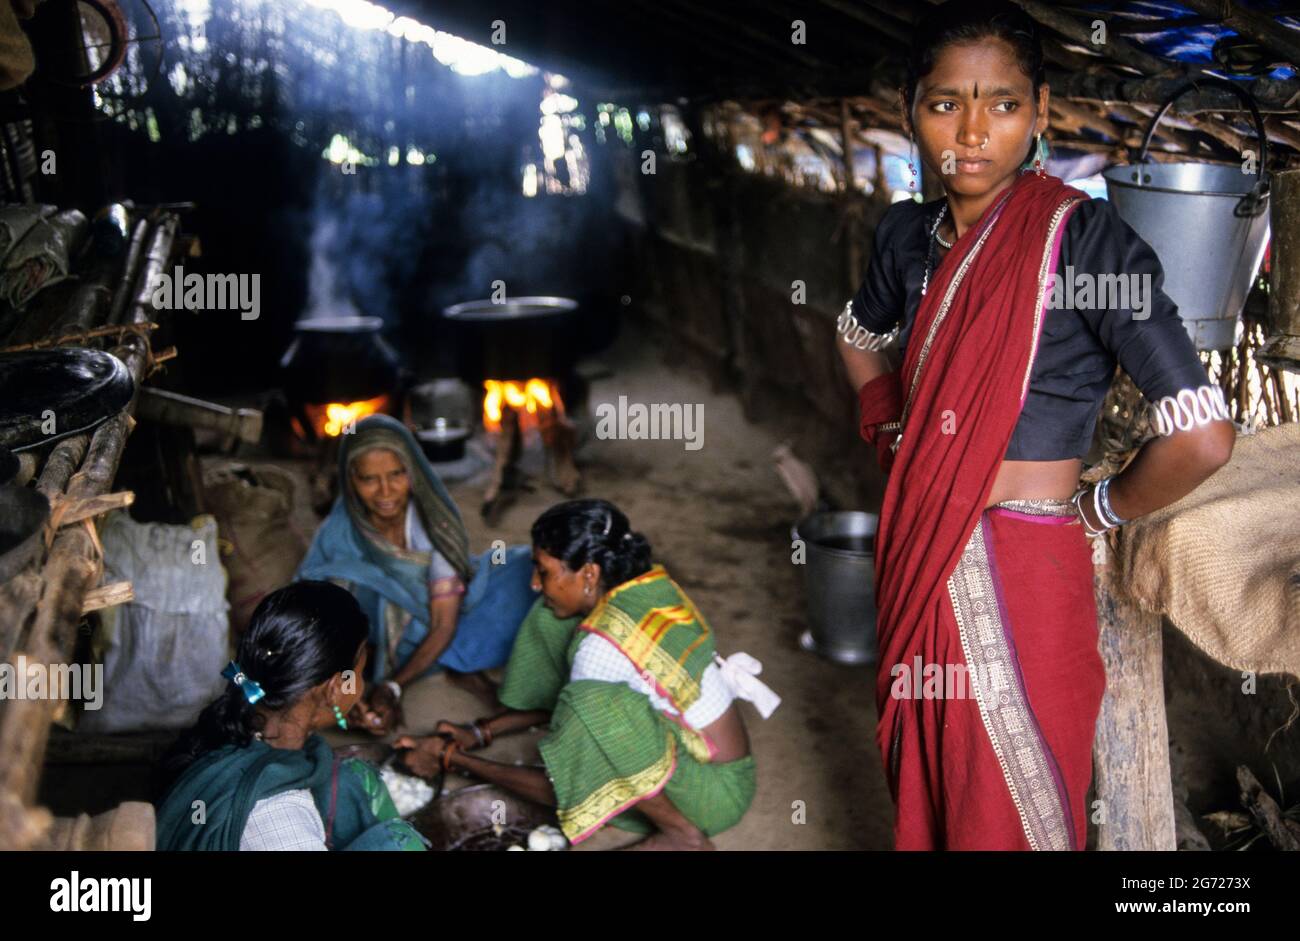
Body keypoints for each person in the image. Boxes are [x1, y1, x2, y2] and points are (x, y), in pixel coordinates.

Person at [839, 1, 1235, 850]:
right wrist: (887, 431)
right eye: (947, 103)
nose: (973, 131)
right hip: (923, 552)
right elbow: (855, 332)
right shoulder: (906, 237)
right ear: (911, 108)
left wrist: (1100, 511)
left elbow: (1202, 433)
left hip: (1024, 580)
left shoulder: (1085, 244)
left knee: (1010, 818)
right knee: (941, 796)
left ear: (1042, 113)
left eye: (1003, 104)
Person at [396, 499, 772, 850]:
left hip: (710, 797)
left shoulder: (598, 649)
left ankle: (681, 835)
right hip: (726, 770)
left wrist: (452, 758)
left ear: (589, 573)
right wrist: (480, 732)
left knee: (588, 713)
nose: (533, 583)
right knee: (551, 618)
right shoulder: (647, 586)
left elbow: (565, 786)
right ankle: (656, 807)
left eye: (544, 571)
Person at [297, 414, 537, 734]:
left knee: (527, 573)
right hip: (388, 631)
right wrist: (350, 690)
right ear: (350, 479)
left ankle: (447, 660)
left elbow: (443, 623)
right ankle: (449, 664)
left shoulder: (433, 526)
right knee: (363, 606)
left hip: (451, 608)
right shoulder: (338, 532)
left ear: (413, 472)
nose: (386, 491)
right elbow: (315, 612)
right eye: (369, 479)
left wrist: (392, 687)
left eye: (397, 474)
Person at [154, 581, 427, 851]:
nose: (361, 687)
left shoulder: (234, 726)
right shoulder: (277, 818)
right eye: (360, 674)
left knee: (349, 777)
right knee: (399, 843)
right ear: (334, 689)